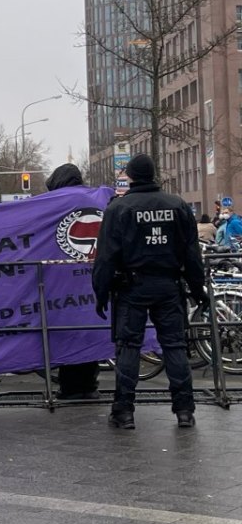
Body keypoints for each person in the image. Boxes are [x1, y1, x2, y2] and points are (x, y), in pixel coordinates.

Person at [92, 154, 206, 430]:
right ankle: (184, 411)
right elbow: (192, 253)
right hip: (169, 285)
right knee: (175, 346)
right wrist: (197, 288)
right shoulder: (177, 205)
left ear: (130, 176)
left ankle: (124, 411)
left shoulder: (118, 209)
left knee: (129, 347)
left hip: (132, 287)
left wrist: (101, 291)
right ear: (154, 175)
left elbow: (106, 256)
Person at [46, 164, 101, 401]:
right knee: (91, 330)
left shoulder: (52, 205)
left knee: (68, 332)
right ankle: (89, 383)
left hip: (63, 283)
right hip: (93, 280)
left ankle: (70, 387)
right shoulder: (97, 198)